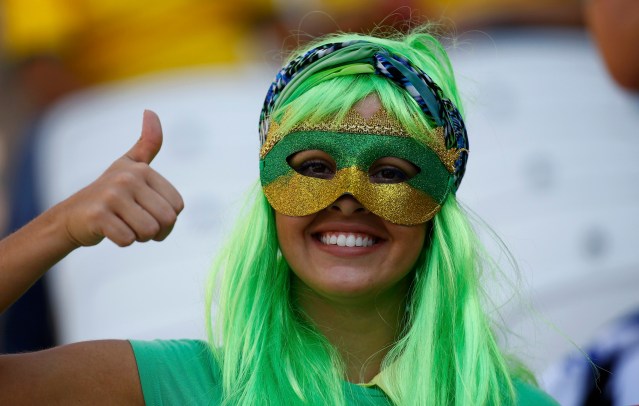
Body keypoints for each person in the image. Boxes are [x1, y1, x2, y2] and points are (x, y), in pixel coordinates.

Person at [0, 29, 557, 405]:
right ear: (268, 194)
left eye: (389, 172)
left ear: (440, 206)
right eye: (313, 165)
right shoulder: (181, 385)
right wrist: (60, 227)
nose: (348, 196)